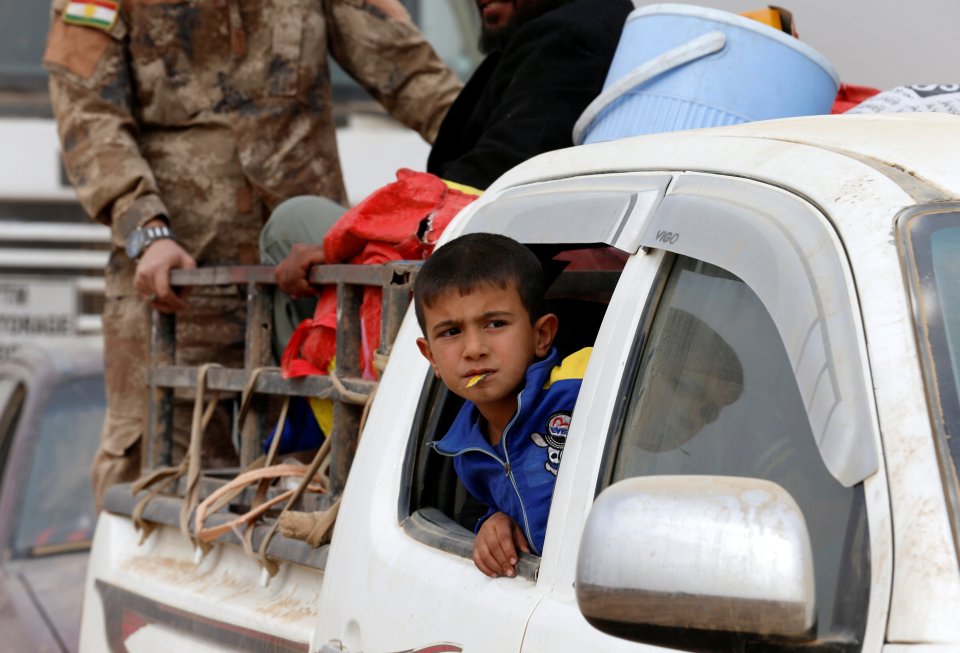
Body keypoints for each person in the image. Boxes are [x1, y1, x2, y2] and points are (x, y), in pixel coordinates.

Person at [43, 0, 462, 510]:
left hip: (307, 285)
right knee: (160, 487)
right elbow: (89, 113)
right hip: (176, 289)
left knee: (327, 481)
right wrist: (144, 228)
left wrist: (513, 181)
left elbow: (413, 77)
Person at [266, 0, 633, 344]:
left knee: (290, 225)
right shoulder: (571, 28)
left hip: (481, 268)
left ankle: (344, 409)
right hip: (491, 264)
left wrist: (342, 242)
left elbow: (487, 179)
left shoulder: (567, 36)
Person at [413, 233, 591, 578]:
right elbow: (504, 499)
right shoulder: (464, 452)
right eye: (451, 332)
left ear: (541, 335)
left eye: (495, 324)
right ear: (431, 356)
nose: (474, 349)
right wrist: (493, 521)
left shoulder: (585, 382)